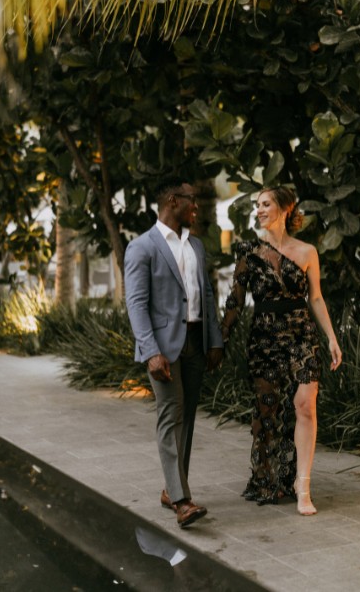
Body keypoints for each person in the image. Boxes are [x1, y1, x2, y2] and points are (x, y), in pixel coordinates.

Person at [222, 187, 343, 515]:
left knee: (305, 406)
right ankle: (270, 478)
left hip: (301, 336)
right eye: (257, 206)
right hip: (264, 339)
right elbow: (235, 301)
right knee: (268, 414)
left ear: (285, 209)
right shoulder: (248, 251)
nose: (259, 210)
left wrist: (331, 337)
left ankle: (302, 486)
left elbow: (315, 298)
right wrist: (219, 340)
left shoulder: (307, 252)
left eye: (265, 204)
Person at [124, 176, 223, 529]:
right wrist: (150, 350)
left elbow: (206, 295)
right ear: (171, 200)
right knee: (170, 415)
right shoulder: (142, 247)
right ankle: (181, 501)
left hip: (195, 342)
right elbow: (136, 304)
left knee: (188, 417)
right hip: (163, 348)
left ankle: (171, 487)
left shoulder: (195, 246)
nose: (196, 206)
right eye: (191, 199)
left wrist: (215, 341)